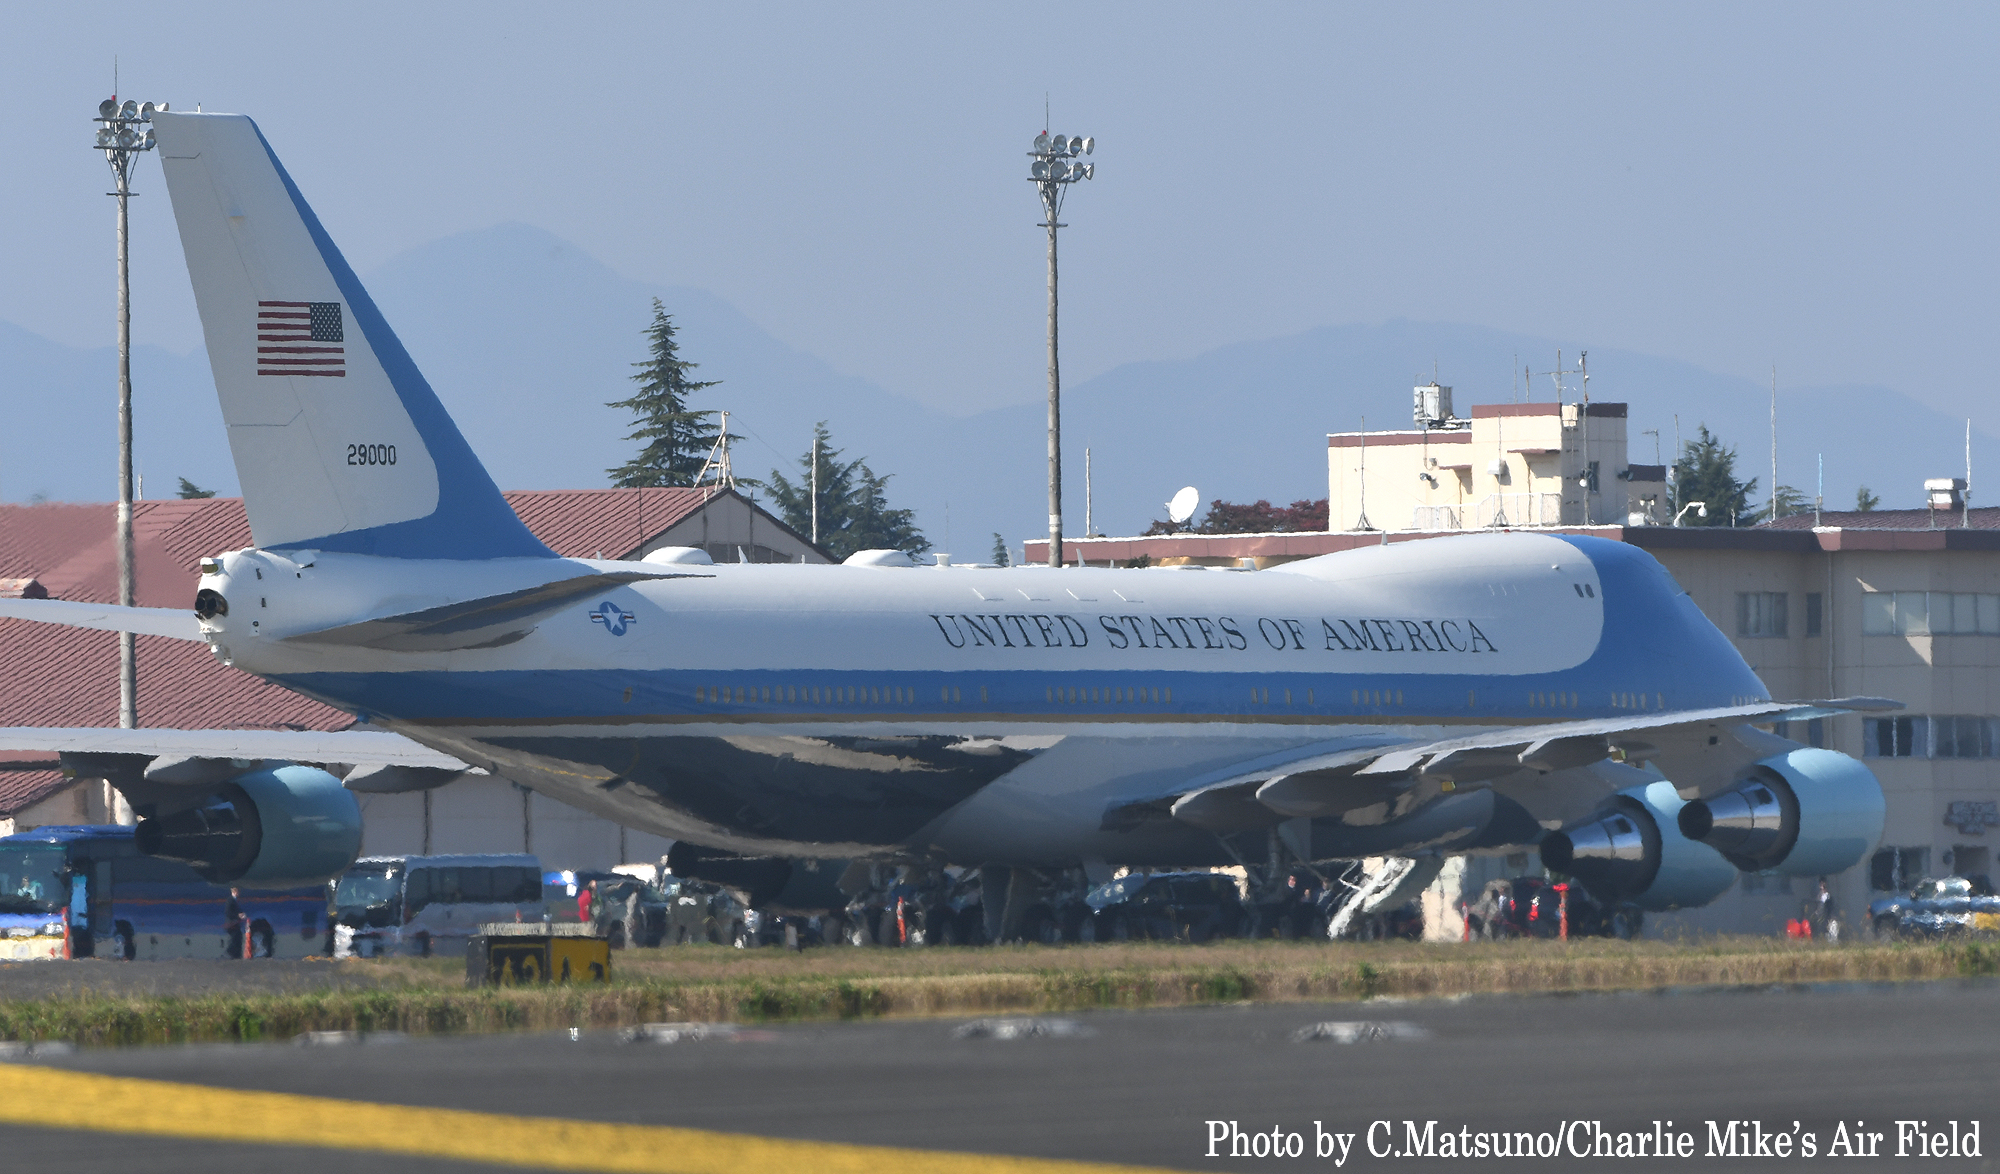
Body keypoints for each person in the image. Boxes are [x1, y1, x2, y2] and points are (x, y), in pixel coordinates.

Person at [224, 887, 246, 959]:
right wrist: (238, 915)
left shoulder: (235, 900)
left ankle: (236, 954)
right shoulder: (230, 900)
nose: (238, 894)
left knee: (237, 938)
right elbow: (228, 912)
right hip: (231, 924)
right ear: (234, 892)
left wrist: (241, 914)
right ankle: (232, 954)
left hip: (235, 923)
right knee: (234, 939)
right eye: (237, 892)